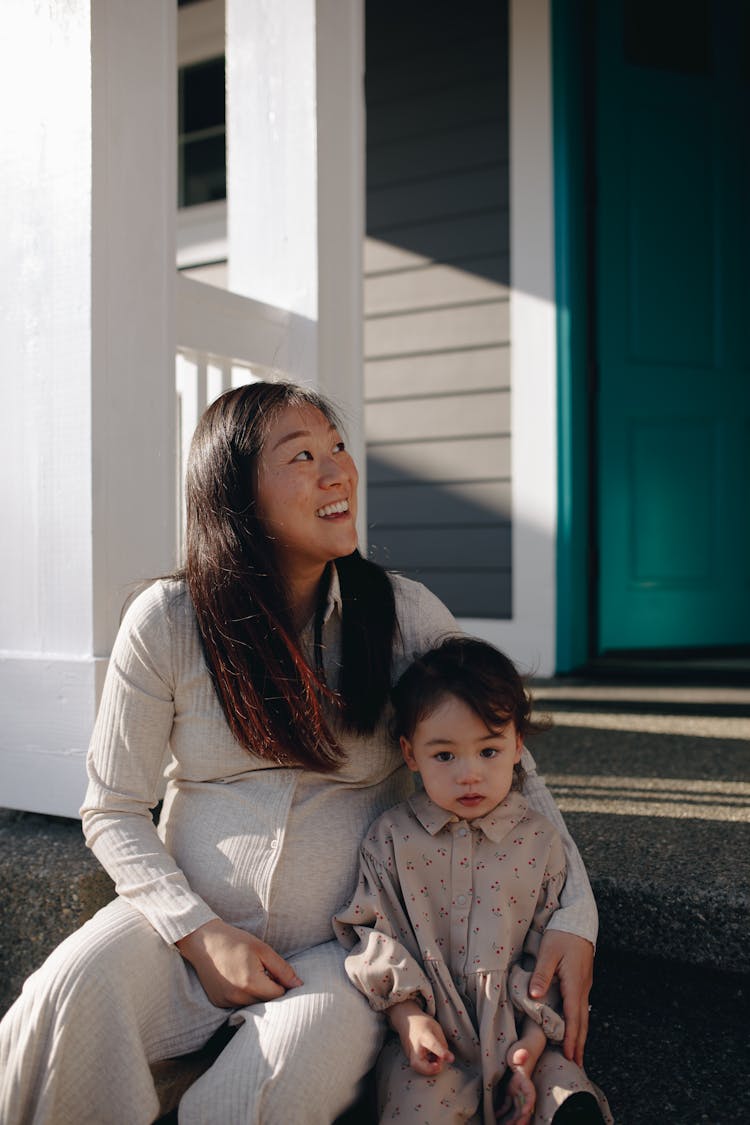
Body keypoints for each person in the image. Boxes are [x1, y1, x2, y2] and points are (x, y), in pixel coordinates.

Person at [0, 381, 598, 1125]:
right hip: (180, 921)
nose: (337, 472)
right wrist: (199, 931)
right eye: (303, 456)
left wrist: (577, 913)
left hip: (341, 951)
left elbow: (515, 766)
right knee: (65, 996)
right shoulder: (168, 621)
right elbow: (114, 807)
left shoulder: (403, 614)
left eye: (339, 448)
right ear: (237, 494)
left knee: (284, 1075)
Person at [334, 638, 611, 1124]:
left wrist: (530, 1042)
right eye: (445, 756)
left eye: (488, 750)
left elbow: (543, 952)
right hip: (430, 1034)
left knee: (567, 1098)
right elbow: (374, 936)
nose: (470, 775)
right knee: (417, 1106)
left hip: (523, 1030)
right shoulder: (391, 839)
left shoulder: (539, 841)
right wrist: (408, 1017)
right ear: (410, 754)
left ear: (517, 748)